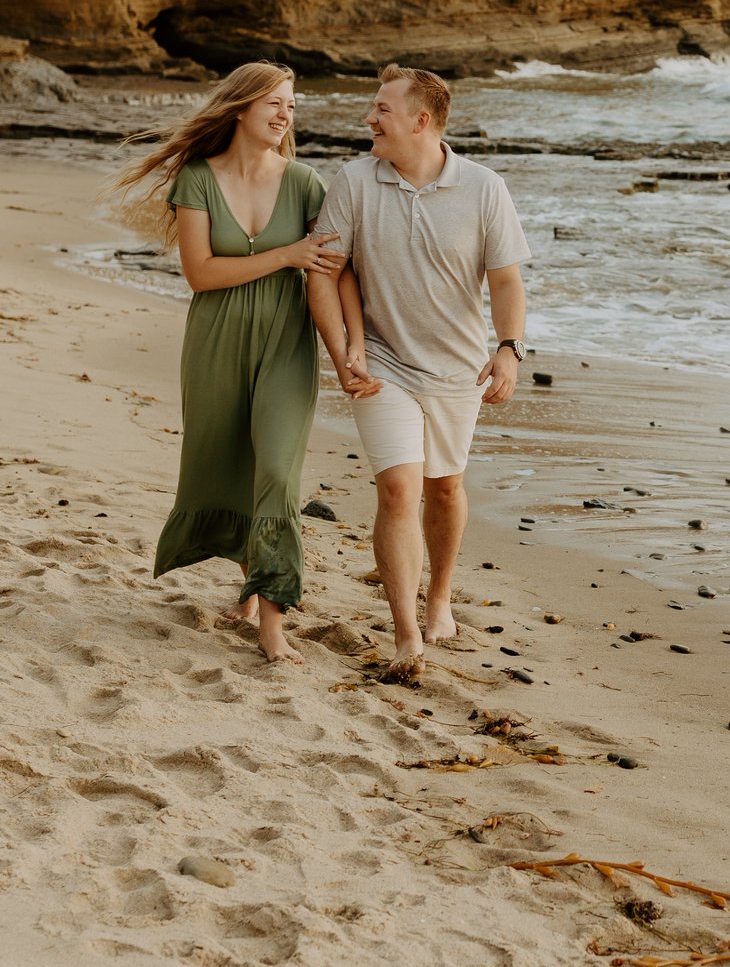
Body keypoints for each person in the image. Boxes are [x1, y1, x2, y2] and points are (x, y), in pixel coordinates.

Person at [113, 62, 346, 665]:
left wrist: (352, 353)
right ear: (240, 107)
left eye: (292, 105)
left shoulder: (306, 184)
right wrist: (286, 254)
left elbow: (333, 276)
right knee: (225, 461)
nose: (285, 115)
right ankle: (247, 584)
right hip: (216, 339)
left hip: (286, 341)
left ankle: (271, 625)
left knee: (275, 468)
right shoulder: (198, 178)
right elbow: (201, 274)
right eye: (275, 102)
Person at [307, 65, 531, 681]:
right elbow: (322, 271)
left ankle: (439, 600)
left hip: (458, 369)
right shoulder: (354, 180)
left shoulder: (484, 188)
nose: (369, 119)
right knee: (400, 488)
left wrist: (509, 349)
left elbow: (507, 278)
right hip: (383, 363)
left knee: (446, 488)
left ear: (420, 120)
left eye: (381, 109)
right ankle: (406, 633)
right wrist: (343, 352)